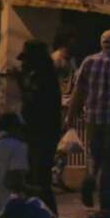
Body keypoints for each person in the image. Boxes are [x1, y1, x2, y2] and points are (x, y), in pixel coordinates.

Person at [67, 29, 110, 212]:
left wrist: (70, 115)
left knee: (94, 156)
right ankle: (106, 200)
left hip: (92, 119)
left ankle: (89, 179)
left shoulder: (89, 62)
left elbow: (78, 91)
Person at [17, 41, 62, 214]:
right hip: (39, 134)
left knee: (40, 179)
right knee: (35, 178)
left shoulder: (42, 77)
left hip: (41, 134)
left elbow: (34, 103)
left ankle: (49, 215)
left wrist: (21, 82)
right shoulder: (43, 74)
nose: (23, 64)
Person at [50, 27, 78, 191]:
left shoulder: (70, 60)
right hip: (58, 105)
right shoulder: (56, 60)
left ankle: (57, 174)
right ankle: (54, 175)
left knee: (65, 143)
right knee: (57, 142)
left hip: (67, 104)